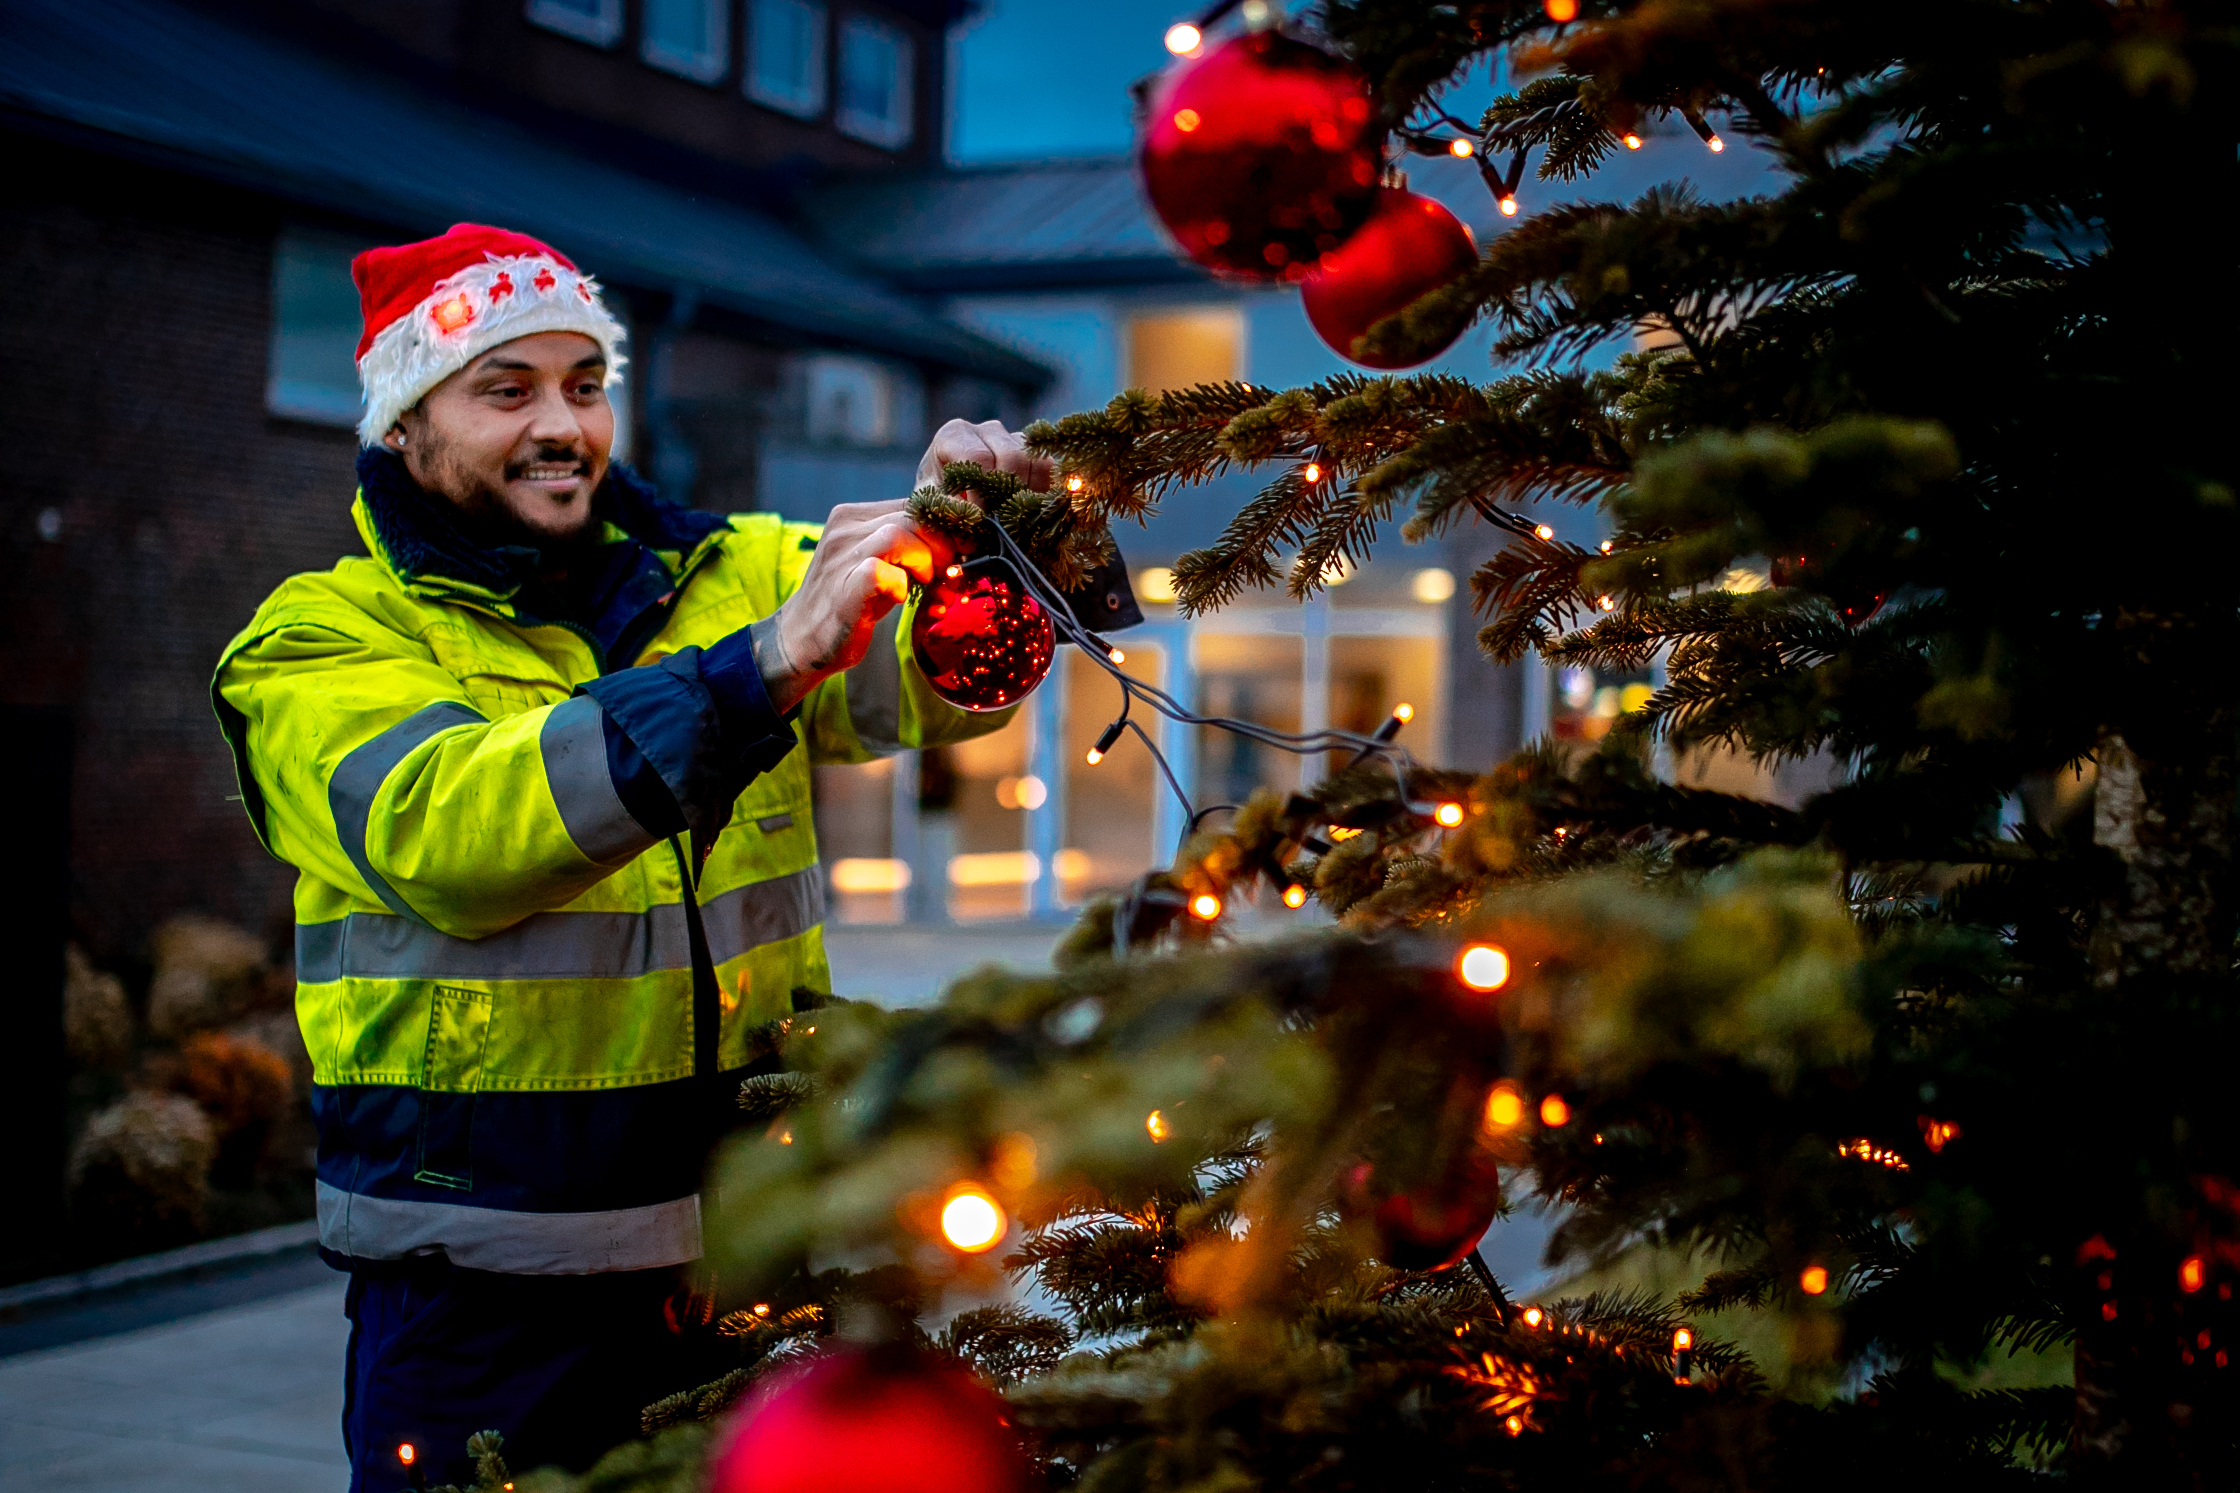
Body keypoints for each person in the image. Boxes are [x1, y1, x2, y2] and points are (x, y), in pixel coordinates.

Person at [212, 223, 1057, 1491]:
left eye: (584, 384)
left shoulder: (739, 572)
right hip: (484, 1308)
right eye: (506, 389)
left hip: (763, 1273)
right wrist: (757, 668)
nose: (563, 425)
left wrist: (984, 539)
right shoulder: (317, 637)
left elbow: (941, 691)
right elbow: (447, 827)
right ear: (402, 422)